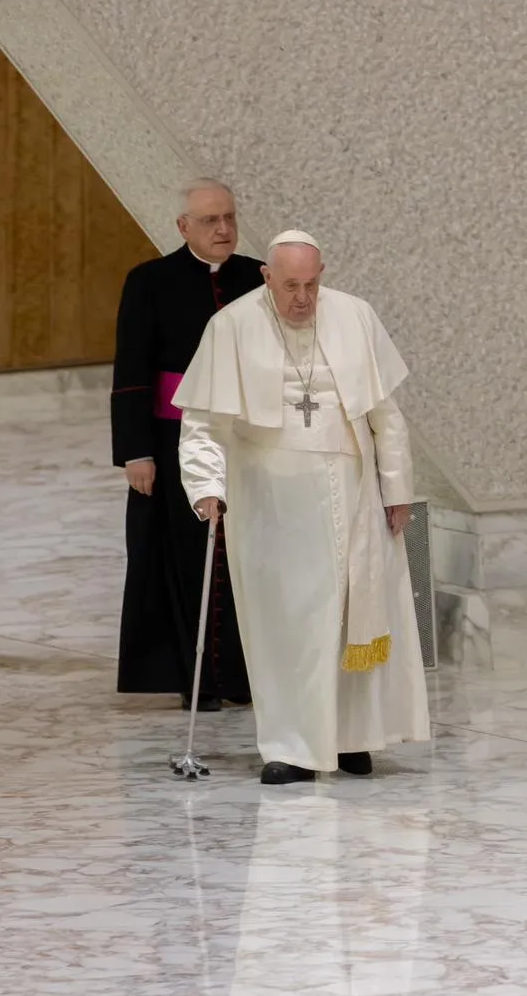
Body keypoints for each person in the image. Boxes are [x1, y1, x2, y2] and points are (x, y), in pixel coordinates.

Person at [174, 229, 431, 783]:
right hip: (272, 504)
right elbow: (201, 425)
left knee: (352, 619)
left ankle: (351, 739)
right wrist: (205, 487)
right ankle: (292, 748)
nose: (302, 298)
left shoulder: (354, 315)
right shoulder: (232, 326)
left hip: (354, 491)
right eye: (290, 285)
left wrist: (398, 489)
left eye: (312, 285)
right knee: (288, 625)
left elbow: (385, 415)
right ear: (267, 276)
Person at [111, 178, 263, 712]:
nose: (223, 229)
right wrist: (135, 452)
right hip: (172, 438)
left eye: (229, 218)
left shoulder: (257, 277)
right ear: (183, 227)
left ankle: (245, 675)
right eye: (209, 221)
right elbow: (131, 371)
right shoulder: (149, 281)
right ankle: (194, 676)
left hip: (246, 437)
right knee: (183, 557)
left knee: (247, 555)